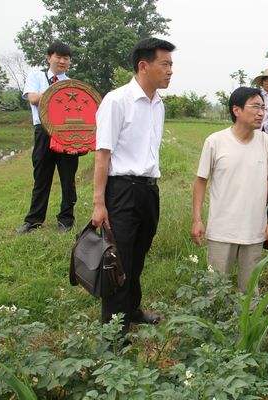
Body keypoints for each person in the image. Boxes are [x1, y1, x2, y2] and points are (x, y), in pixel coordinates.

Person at [91, 37, 175, 333]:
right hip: (122, 190)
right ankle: (114, 330)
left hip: (149, 189)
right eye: (164, 64)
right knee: (119, 259)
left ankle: (132, 309)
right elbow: (103, 155)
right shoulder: (117, 101)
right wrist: (99, 203)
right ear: (144, 65)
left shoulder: (158, 105)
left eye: (171, 64)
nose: (170, 71)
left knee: (138, 253)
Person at [191, 87, 268, 292]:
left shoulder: (266, 142)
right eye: (255, 106)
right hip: (222, 230)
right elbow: (200, 181)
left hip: (255, 230)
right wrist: (197, 219)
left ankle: (249, 325)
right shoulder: (215, 141)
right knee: (215, 289)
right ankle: (215, 323)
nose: (261, 112)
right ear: (237, 110)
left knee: (250, 291)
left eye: (263, 107)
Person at [17, 41, 78, 234]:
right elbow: (33, 99)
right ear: (49, 57)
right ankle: (34, 220)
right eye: (58, 57)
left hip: (66, 133)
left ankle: (66, 220)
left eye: (66, 58)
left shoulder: (71, 83)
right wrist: (58, 93)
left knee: (68, 178)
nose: (62, 61)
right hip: (43, 132)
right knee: (41, 177)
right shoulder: (36, 76)